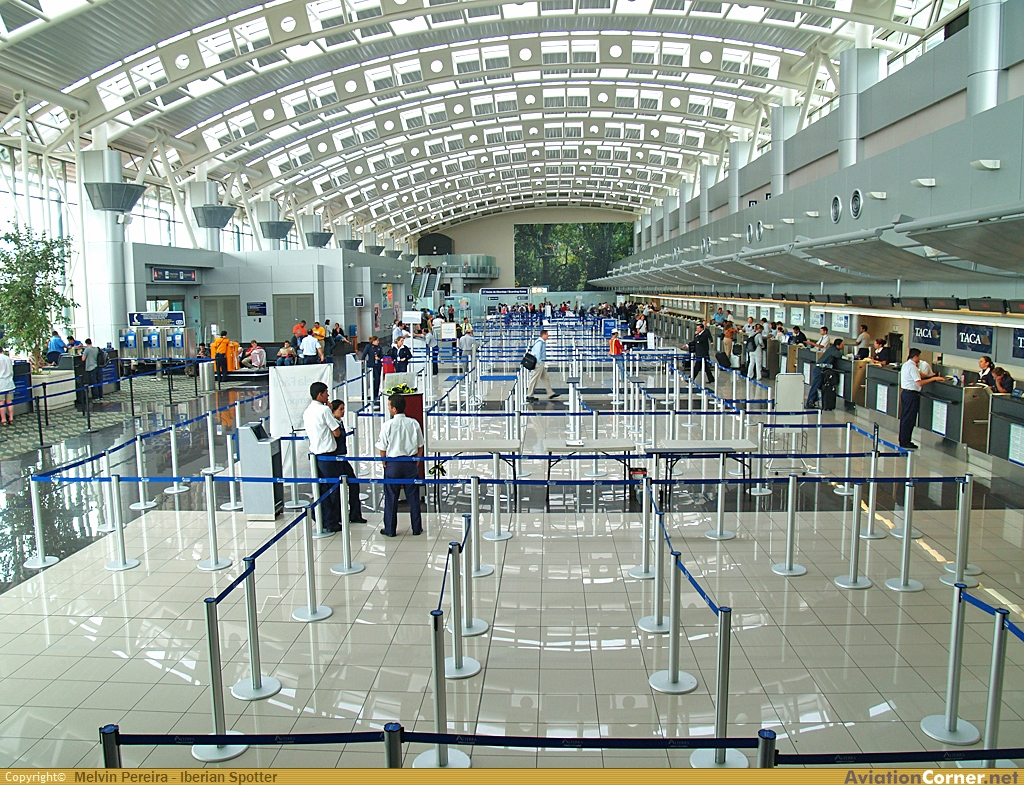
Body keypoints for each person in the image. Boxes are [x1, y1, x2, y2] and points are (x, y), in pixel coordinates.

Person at [375, 393, 424, 537]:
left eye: (389, 406)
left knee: (391, 497)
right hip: (409, 463)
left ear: (394, 409)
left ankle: (390, 529)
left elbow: (382, 448)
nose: (388, 408)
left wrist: (384, 463)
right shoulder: (414, 423)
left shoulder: (387, 425)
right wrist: (416, 461)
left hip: (393, 464)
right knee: (413, 498)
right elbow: (420, 445)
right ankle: (417, 528)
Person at [302, 382, 344, 533]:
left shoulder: (307, 411)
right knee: (332, 489)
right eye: (326, 393)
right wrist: (328, 407)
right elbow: (336, 432)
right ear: (319, 394)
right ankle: (332, 521)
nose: (328, 395)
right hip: (328, 455)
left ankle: (323, 517)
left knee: (321, 489)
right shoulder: (325, 410)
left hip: (315, 455)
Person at [328, 399, 367, 523]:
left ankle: (355, 514)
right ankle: (338, 516)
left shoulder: (339, 422)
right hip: (336, 459)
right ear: (333, 411)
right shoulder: (333, 424)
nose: (343, 411)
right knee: (339, 489)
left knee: (354, 483)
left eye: (344, 408)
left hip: (342, 458)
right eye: (340, 409)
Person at [900, 348, 945, 450]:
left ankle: (903, 439)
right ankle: (906, 441)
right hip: (911, 395)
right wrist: (934, 379)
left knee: (905, 417)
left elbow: (919, 374)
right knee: (909, 419)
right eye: (919, 356)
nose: (920, 358)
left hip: (906, 393)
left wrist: (930, 375)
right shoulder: (912, 367)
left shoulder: (907, 365)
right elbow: (919, 382)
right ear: (915, 356)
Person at [806, 338, 844, 408]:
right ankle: (809, 402)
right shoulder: (833, 350)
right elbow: (839, 355)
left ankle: (812, 401)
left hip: (821, 370)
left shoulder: (831, 349)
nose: (843, 346)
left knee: (819, 386)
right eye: (842, 345)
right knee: (816, 386)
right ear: (837, 345)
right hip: (819, 370)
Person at [525, 329, 559, 402]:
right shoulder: (539, 343)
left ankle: (550, 393)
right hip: (538, 363)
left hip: (540, 363)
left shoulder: (542, 342)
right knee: (534, 379)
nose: (548, 336)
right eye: (547, 334)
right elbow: (537, 354)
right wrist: (540, 363)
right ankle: (529, 395)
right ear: (543, 334)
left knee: (545, 378)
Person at [362, 335, 383, 400]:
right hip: (372, 365)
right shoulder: (368, 346)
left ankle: (376, 394)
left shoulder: (379, 347)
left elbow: (382, 355)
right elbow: (364, 353)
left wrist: (379, 358)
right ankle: (373, 394)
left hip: (378, 365)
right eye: (377, 340)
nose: (378, 342)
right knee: (375, 379)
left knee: (378, 380)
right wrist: (363, 359)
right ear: (373, 341)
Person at [0, 347, 14, 426]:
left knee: (1, 402)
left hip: (1, 383)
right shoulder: (8, 358)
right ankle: (11, 418)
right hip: (9, 382)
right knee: (9, 401)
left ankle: (4, 420)